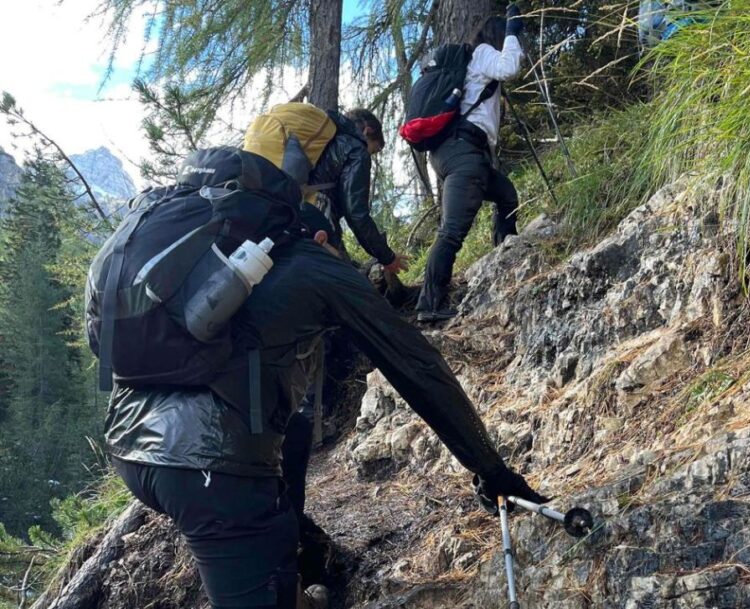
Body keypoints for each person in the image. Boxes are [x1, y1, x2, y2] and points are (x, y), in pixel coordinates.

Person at [103, 187, 545, 608]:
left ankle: (299, 567)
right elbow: (416, 365)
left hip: (129, 447)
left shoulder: (219, 269)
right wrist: (491, 469)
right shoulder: (316, 264)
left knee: (284, 452)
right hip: (209, 470)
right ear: (320, 238)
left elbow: (290, 424)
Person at [415, 7, 526, 323]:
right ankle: (429, 304)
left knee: (506, 194)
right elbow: (509, 68)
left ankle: (505, 254)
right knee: (452, 231)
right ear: (495, 34)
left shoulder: (471, 60)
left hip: (458, 151)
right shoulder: (482, 52)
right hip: (464, 151)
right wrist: (512, 32)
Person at [309, 108, 410, 274]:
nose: (371, 154)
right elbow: (356, 213)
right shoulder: (357, 150)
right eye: (375, 149)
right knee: (344, 282)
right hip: (318, 215)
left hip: (299, 210)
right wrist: (387, 257)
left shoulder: (330, 141)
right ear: (368, 131)